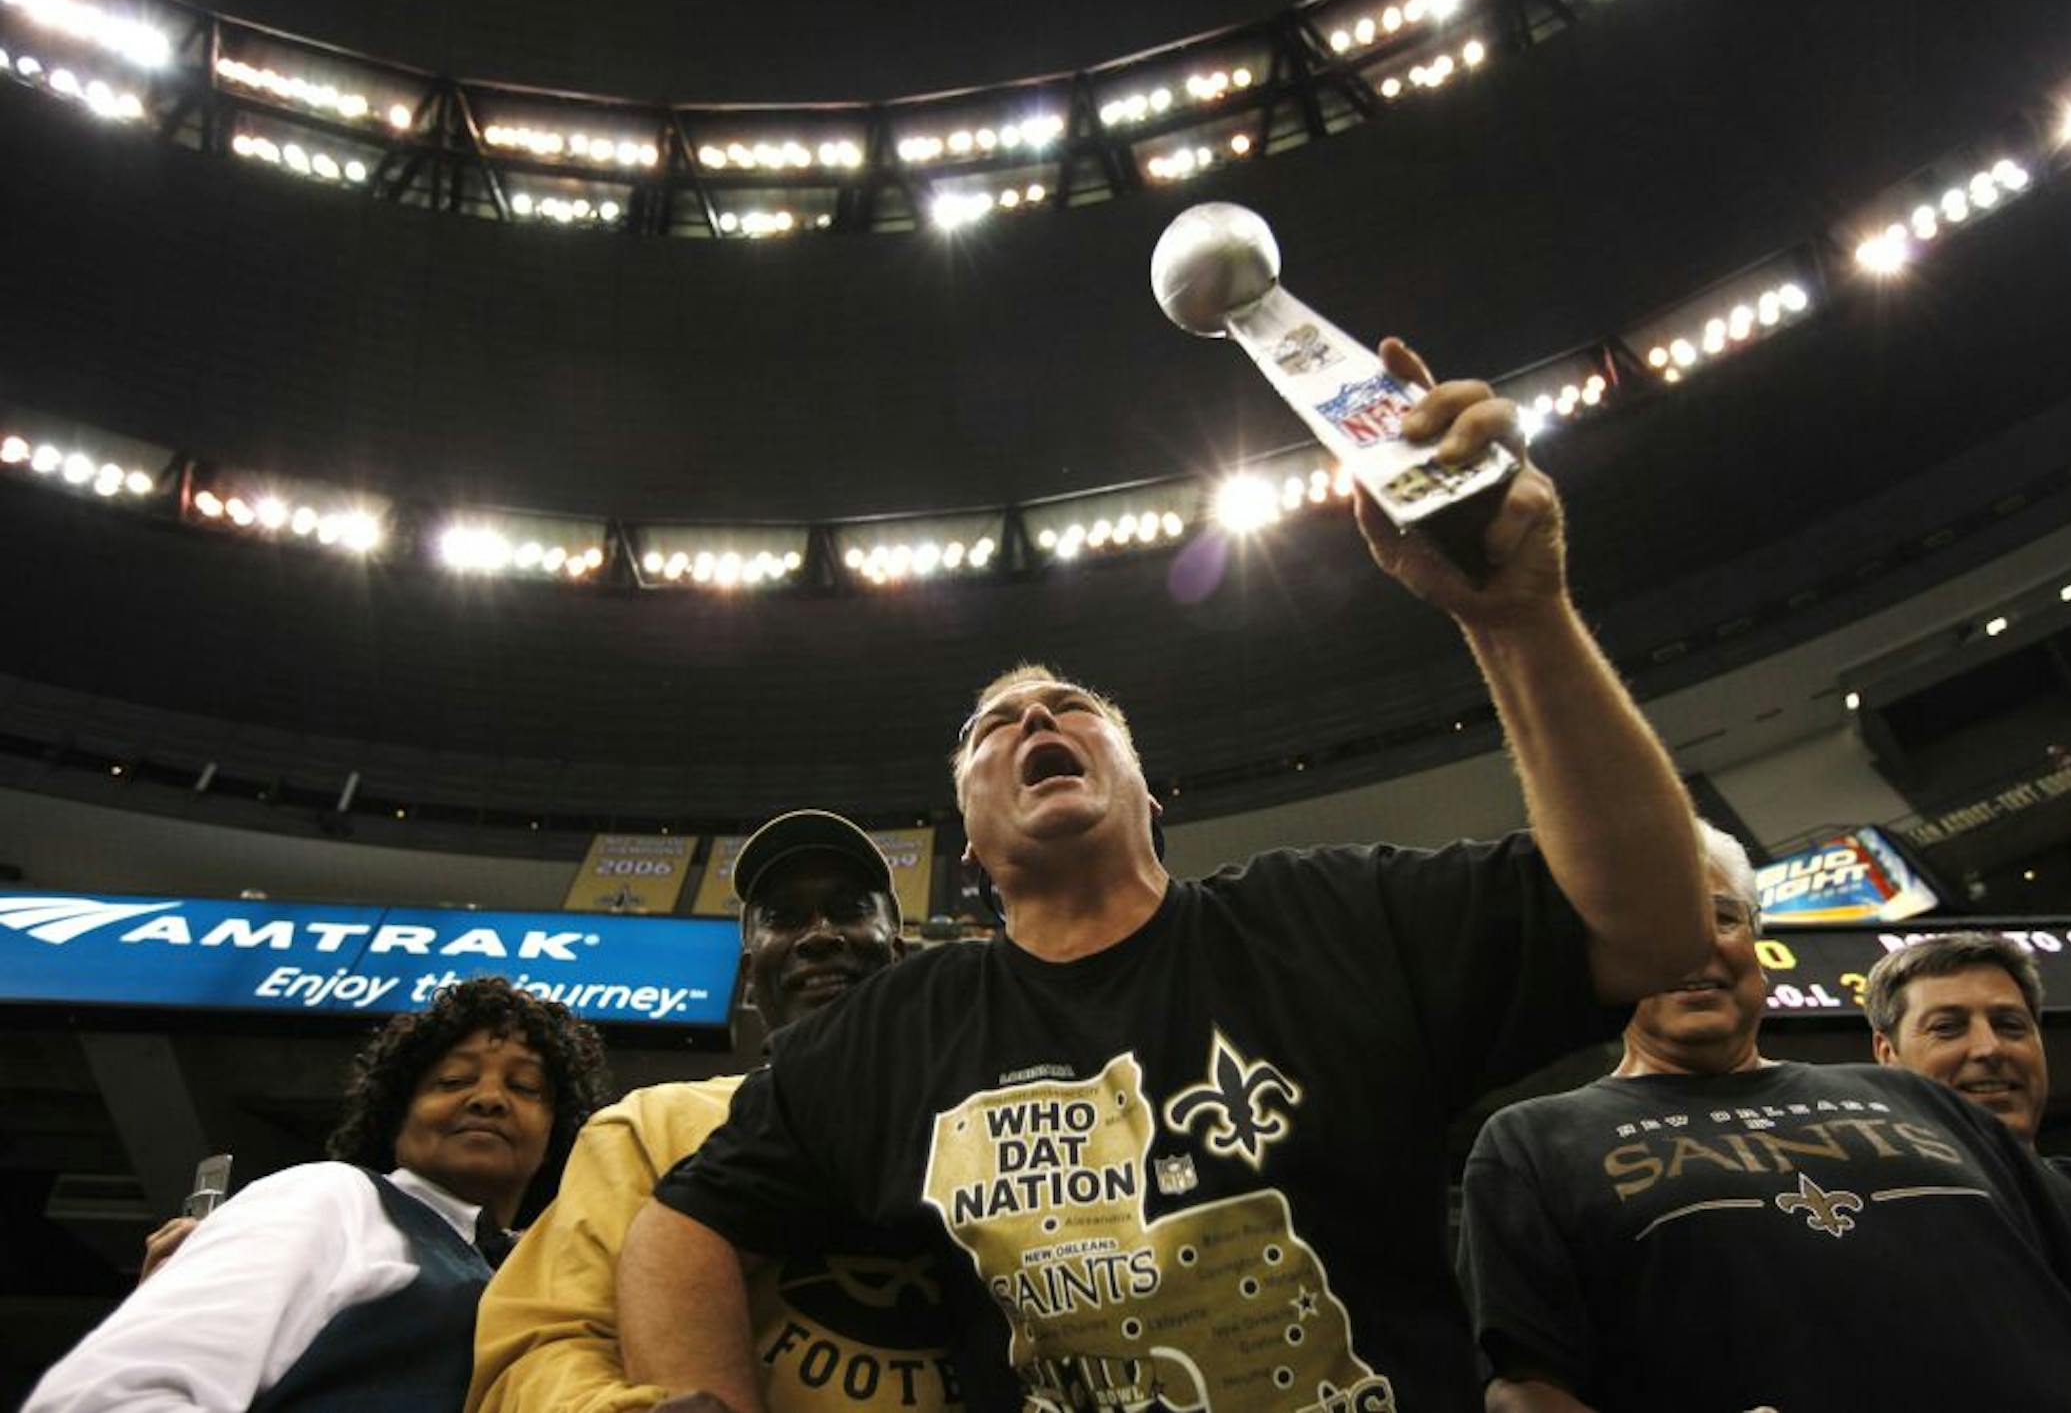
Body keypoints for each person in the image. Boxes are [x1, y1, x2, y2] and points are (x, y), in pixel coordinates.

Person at [617, 346, 1719, 1412]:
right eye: (991, 728)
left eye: (1073, 709)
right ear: (970, 848)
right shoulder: (896, 1029)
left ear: (1152, 797)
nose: (1036, 717)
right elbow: (683, 1222)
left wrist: (1519, 617)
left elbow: (1651, 927)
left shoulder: (1328, 915)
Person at [1456, 825, 2071, 1412]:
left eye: (1721, 917)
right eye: (1651, 923)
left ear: (1755, 945)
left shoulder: (1922, 1100)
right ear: (1596, 960)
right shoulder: (1533, 1142)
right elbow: (1525, 1386)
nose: (1694, 945)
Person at [467, 809, 966, 1413]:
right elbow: (537, 1346)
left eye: (848, 909)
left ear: (896, 954)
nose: (819, 934)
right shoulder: (647, 1127)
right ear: (750, 978)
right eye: (784, 919)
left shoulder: (985, 1116)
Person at [27, 975, 609, 1412]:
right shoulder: (330, 1197)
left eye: (525, 1086)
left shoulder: (543, 1280)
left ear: (557, 1133)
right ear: (396, 1114)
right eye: (452, 1080)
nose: (488, 1098)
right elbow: (119, 1393)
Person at [1867, 931, 2071, 1233]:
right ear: (1888, 1055)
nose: (1989, 1048)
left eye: (2010, 1025)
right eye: (1947, 1027)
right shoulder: (1855, 1223)